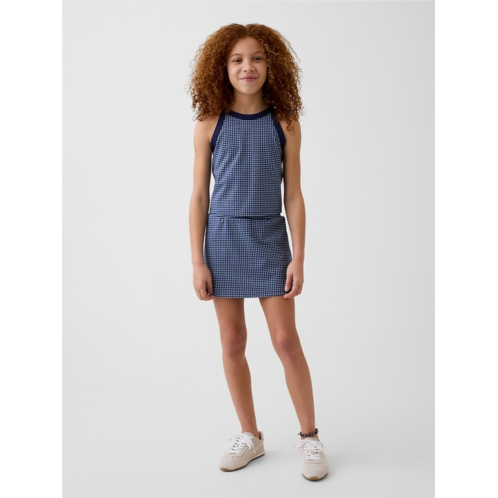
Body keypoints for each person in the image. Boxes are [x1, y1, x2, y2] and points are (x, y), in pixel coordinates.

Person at [188, 23, 329, 482]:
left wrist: (298, 256)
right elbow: (199, 197)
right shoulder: (209, 124)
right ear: (222, 68)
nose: (247, 67)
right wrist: (197, 261)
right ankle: (250, 435)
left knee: (285, 341)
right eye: (237, 60)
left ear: (272, 65)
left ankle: (310, 436)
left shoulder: (284, 123)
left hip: (270, 239)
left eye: (257, 58)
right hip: (223, 240)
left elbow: (294, 195)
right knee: (232, 342)